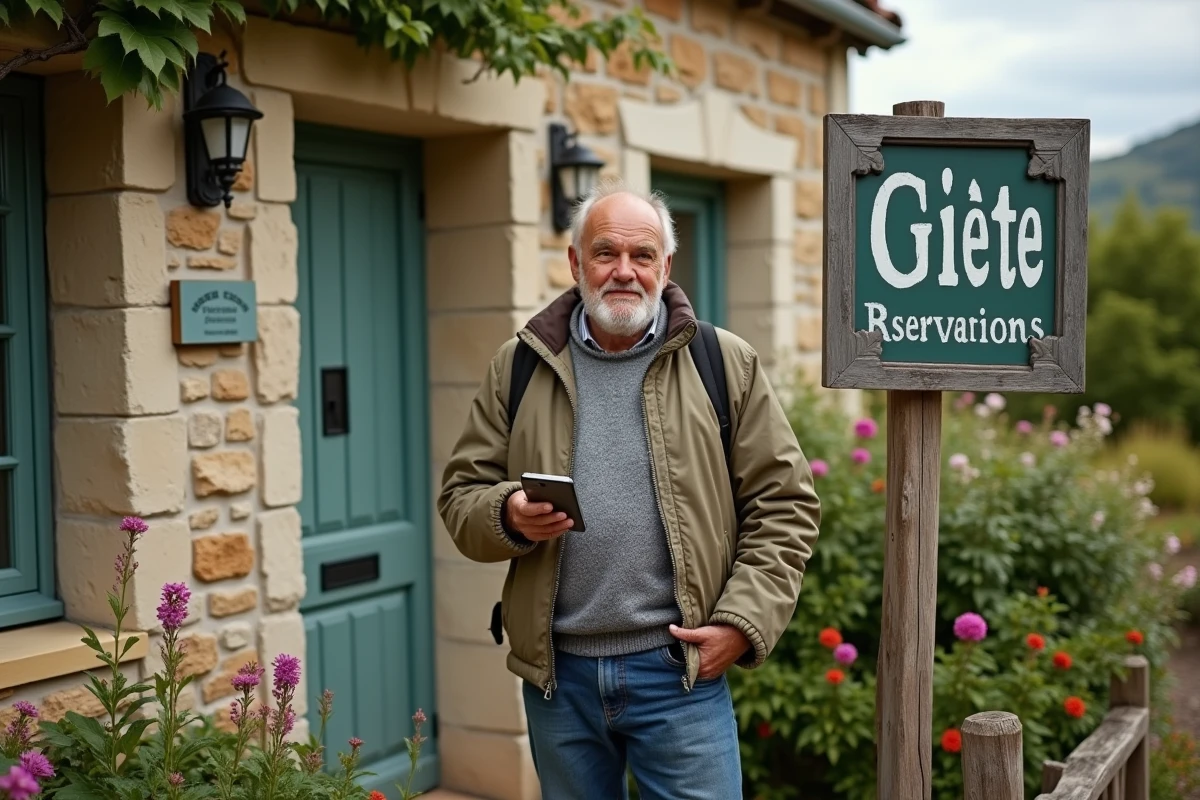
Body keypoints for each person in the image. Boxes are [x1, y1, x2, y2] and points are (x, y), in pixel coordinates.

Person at [437, 178, 821, 800]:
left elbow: (786, 504)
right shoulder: (521, 363)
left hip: (678, 675)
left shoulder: (721, 362)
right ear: (575, 262)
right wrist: (506, 513)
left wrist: (742, 621)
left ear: (665, 266)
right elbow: (460, 498)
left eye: (642, 256)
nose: (624, 271)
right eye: (605, 253)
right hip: (558, 682)